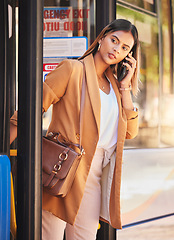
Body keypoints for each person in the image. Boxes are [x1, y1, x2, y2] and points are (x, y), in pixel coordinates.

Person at [10, 18, 140, 240]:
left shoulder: (115, 89)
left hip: (94, 176)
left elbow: (130, 132)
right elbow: (31, 110)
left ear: (129, 56)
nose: (116, 49)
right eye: (114, 40)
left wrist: (125, 87)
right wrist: (3, 147)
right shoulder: (72, 70)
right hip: (63, 170)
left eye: (124, 48)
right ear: (102, 38)